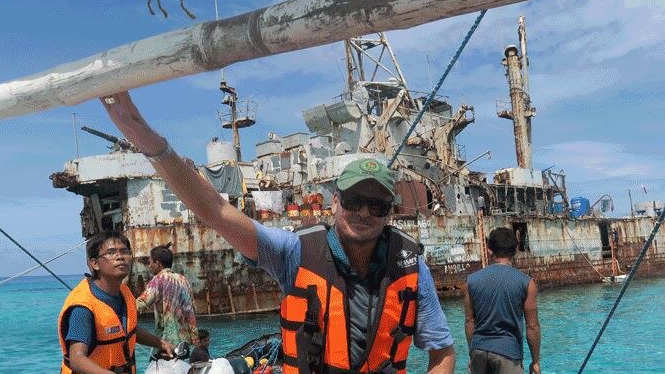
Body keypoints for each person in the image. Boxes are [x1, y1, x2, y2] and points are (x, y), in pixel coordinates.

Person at [101, 92, 456, 373]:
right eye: (354, 201)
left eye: (377, 206)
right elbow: (215, 210)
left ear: (390, 213)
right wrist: (143, 136)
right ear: (334, 202)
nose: (364, 212)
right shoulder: (296, 252)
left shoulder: (409, 265)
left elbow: (442, 351)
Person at [58, 231, 175, 374]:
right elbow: (77, 359)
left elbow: (129, 330)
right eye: (111, 252)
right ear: (95, 263)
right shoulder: (83, 306)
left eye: (124, 251)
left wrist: (160, 343)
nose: (120, 257)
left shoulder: (125, 293)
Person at [463, 227, 541, 374]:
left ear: (489, 250)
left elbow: (469, 321)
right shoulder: (526, 283)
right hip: (508, 353)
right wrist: (535, 361)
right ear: (516, 249)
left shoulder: (470, 282)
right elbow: (532, 326)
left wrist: (472, 351)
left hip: (478, 351)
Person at [136, 244, 200, 356]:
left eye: (150, 262)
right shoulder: (183, 280)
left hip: (167, 345)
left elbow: (141, 304)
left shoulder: (158, 280)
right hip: (185, 345)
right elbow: (192, 309)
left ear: (158, 264)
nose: (149, 265)